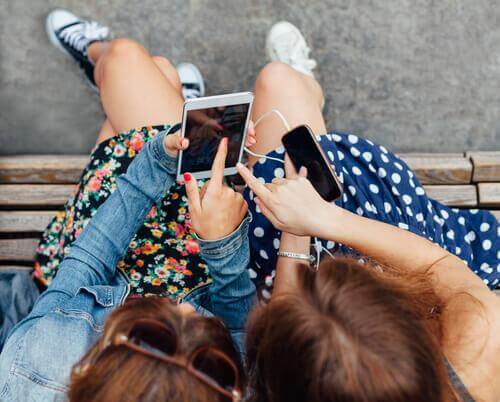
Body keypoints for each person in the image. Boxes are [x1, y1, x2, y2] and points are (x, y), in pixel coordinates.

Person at [0, 9, 257, 402]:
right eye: (211, 363)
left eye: (152, 335)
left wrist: (156, 160)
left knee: (130, 62)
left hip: (95, 266)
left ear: (93, 371)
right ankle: (171, 99)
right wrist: (222, 247)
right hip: (203, 270)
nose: (189, 313)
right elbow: (240, 333)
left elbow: (86, 261)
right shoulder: (231, 387)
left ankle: (125, 72)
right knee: (153, 77)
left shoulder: (36, 369)